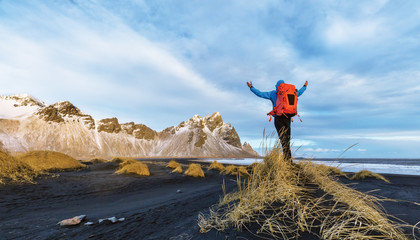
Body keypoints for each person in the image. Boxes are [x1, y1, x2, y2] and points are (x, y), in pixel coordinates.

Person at [247, 80, 308, 161]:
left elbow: (260, 94)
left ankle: (287, 159)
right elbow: (300, 92)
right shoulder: (291, 92)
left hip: (278, 117)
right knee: (287, 138)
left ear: (277, 86)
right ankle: (288, 158)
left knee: (282, 138)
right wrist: (305, 86)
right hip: (288, 117)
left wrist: (251, 87)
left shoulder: (273, 93)